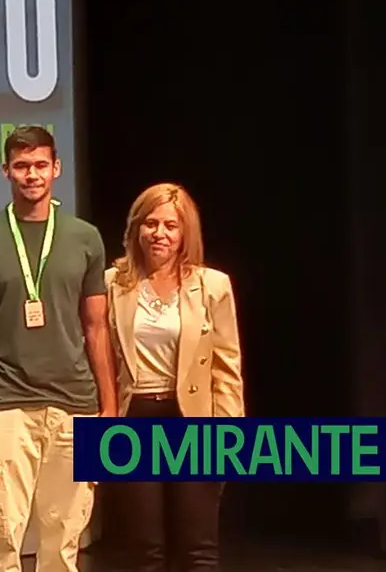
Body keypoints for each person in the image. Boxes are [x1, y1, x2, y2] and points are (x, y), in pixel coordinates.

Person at [0, 125, 116, 572]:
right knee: (1, 544)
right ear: (6, 171)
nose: (32, 174)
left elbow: (97, 327)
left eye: (41, 165)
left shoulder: (85, 238)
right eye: (21, 166)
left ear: (56, 168)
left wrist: (109, 409)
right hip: (4, 406)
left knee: (64, 547)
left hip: (76, 406)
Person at [104, 183, 244, 572]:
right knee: (143, 548)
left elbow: (227, 366)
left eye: (170, 225)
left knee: (198, 548)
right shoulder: (112, 283)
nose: (159, 233)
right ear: (137, 228)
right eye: (151, 223)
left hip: (192, 419)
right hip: (133, 420)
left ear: (185, 233)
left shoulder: (212, 285)